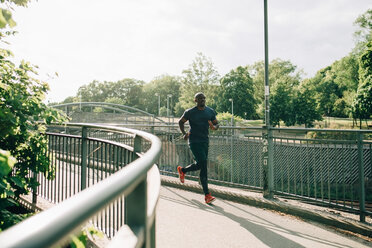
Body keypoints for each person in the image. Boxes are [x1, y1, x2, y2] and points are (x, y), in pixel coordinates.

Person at [177, 92, 219, 204]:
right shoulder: (190, 112)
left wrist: (213, 127)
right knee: (203, 164)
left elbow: (216, 124)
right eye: (200, 98)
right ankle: (207, 195)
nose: (202, 100)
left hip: (205, 141)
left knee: (200, 164)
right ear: (195, 100)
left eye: (204, 98)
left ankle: (183, 170)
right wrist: (184, 133)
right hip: (194, 141)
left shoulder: (210, 111)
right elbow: (180, 122)